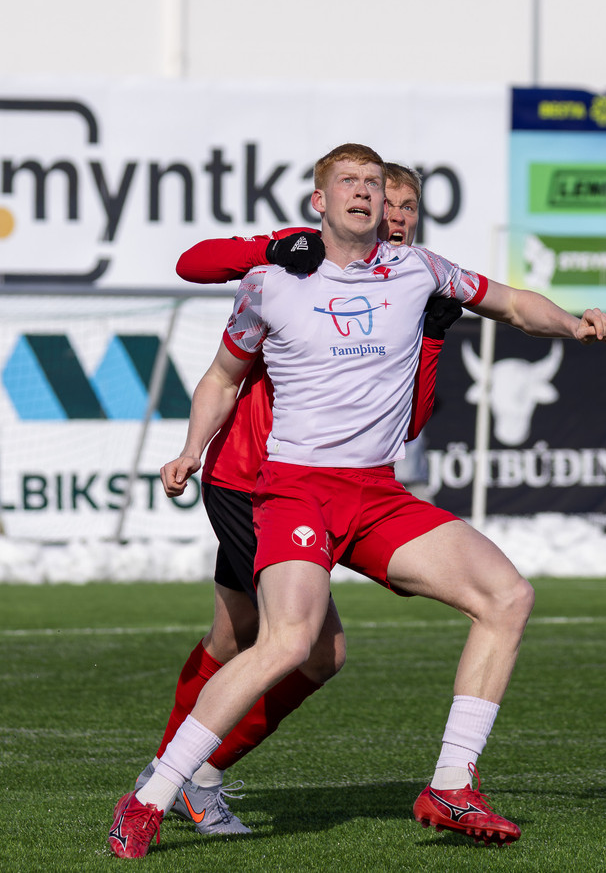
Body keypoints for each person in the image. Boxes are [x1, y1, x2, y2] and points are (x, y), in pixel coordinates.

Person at [109, 143, 606, 858]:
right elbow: (222, 375)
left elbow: (508, 303)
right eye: (348, 181)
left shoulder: (419, 270)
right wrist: (192, 449)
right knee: (287, 642)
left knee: (508, 596)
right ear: (319, 201)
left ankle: (451, 785)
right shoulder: (271, 281)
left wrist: (570, 320)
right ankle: (152, 796)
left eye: (375, 184)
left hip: (375, 491)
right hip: (292, 489)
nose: (365, 193)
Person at [124, 164, 461, 839]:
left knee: (234, 636)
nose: (396, 215)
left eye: (408, 207)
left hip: (309, 488)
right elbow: (194, 263)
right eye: (388, 202)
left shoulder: (401, 286)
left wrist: (430, 340)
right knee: (312, 650)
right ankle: (189, 775)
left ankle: (173, 773)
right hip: (254, 481)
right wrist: (273, 246)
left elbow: (409, 423)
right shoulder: (302, 260)